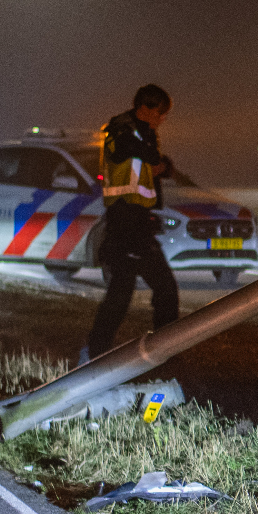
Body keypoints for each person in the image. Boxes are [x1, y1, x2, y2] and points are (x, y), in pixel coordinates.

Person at [83, 85, 179, 362]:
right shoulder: (121, 129)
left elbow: (158, 164)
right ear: (145, 109)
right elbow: (131, 153)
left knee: (149, 290)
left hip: (139, 222)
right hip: (124, 223)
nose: (162, 120)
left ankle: (160, 350)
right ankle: (98, 354)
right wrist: (153, 159)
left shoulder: (145, 132)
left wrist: (161, 165)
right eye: (160, 114)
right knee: (130, 293)